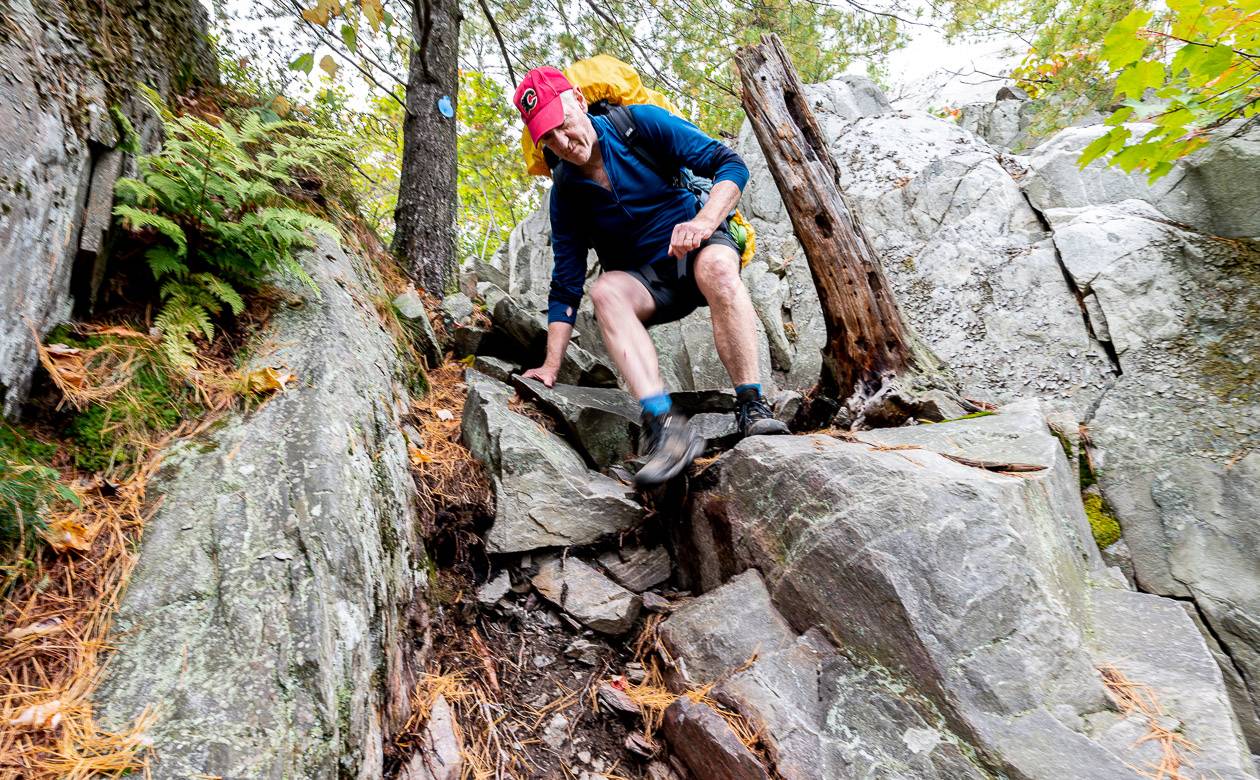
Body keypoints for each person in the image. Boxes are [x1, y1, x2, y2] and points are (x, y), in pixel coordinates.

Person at [512, 66, 789, 487]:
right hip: (646, 281)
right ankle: (664, 426)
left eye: (565, 126)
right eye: (549, 138)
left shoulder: (639, 125)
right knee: (604, 292)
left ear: (580, 104)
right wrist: (551, 365)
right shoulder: (566, 192)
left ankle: (752, 405)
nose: (564, 145)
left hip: (696, 250)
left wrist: (703, 221)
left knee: (717, 267)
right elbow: (565, 281)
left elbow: (729, 165)